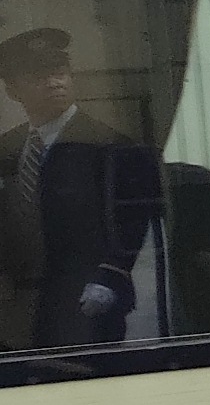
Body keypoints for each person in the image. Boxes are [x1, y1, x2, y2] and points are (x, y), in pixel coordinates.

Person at [0, 26, 158, 349]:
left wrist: (111, 277)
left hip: (84, 306)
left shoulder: (110, 147)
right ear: (13, 90)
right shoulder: (8, 148)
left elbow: (134, 220)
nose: (54, 82)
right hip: (15, 308)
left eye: (60, 72)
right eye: (39, 76)